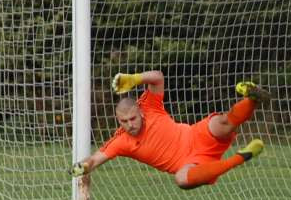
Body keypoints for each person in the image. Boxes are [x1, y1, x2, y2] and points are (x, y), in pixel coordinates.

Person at [70, 70, 269, 189]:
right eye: (124, 121)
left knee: (221, 123)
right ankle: (242, 157)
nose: (130, 124)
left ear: (140, 112)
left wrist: (134, 79)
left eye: (132, 118)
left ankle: (252, 98)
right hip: (191, 163)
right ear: (118, 120)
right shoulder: (121, 141)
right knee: (181, 180)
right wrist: (83, 166)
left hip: (196, 135)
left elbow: (157, 77)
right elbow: (95, 159)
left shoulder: (149, 105)